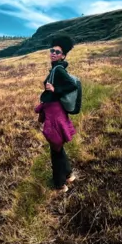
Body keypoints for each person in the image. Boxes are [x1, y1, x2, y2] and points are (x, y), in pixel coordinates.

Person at [35, 35, 78, 193]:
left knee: (55, 148)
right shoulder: (55, 69)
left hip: (55, 114)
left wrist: (55, 90)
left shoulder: (59, 69)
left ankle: (59, 184)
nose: (53, 53)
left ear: (63, 56)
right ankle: (68, 175)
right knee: (57, 146)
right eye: (52, 50)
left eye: (57, 52)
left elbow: (72, 85)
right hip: (54, 112)